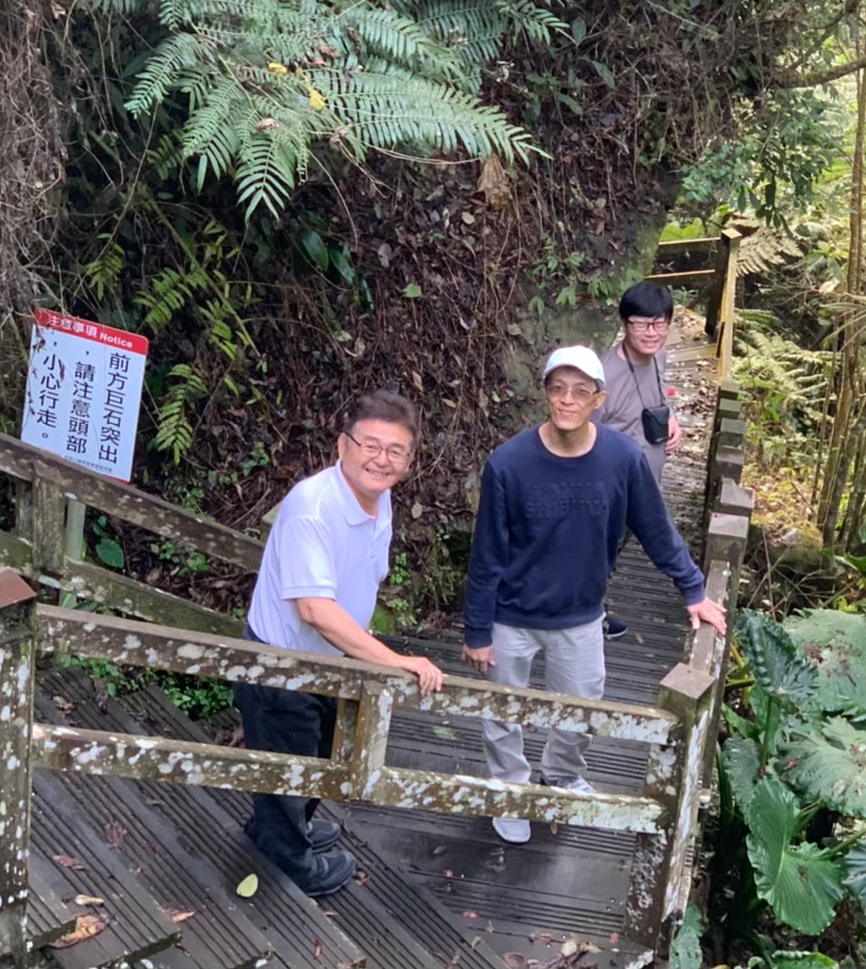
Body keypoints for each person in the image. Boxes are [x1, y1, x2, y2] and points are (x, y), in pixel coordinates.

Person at [461, 346, 727, 844]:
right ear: (545, 393)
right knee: (502, 711)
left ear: (599, 399)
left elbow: (655, 528)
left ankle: (561, 775)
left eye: (580, 391)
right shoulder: (508, 463)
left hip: (581, 613)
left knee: (583, 706)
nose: (568, 399)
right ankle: (509, 791)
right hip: (511, 613)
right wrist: (477, 629)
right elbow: (487, 553)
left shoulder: (621, 459)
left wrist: (692, 587)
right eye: (557, 388)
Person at [235, 391, 445, 898]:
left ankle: (284, 830)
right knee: (290, 762)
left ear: (409, 459)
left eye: (395, 451)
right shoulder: (313, 506)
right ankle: (290, 861)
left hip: (335, 657)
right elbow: (314, 609)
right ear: (343, 446)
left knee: (322, 751)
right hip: (283, 662)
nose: (382, 460)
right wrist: (395, 662)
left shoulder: (378, 499)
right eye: (371, 445)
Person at [594, 281, 682, 639]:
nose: (651, 332)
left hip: (646, 487)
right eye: (642, 323)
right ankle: (591, 618)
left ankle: (593, 610)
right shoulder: (604, 377)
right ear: (625, 323)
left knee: (613, 551)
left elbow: (656, 398)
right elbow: (584, 434)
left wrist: (671, 418)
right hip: (611, 490)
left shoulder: (659, 357)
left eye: (660, 323)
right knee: (597, 553)